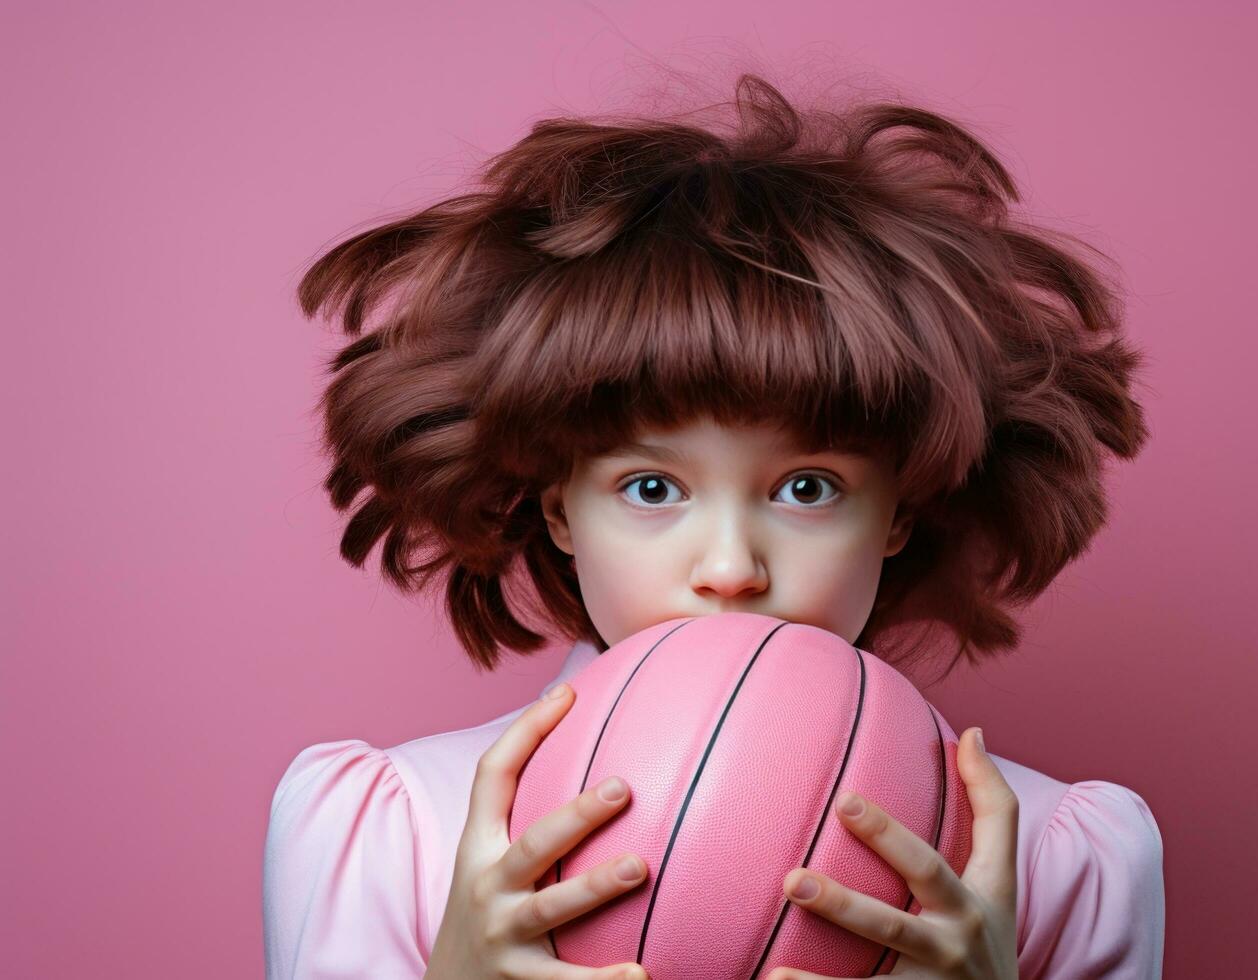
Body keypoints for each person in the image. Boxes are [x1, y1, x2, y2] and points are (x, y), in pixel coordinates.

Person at [263, 74, 1165, 979]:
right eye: (652, 489)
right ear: (558, 512)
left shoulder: (1058, 858)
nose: (731, 569)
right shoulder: (396, 829)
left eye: (808, 488)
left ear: (897, 516)